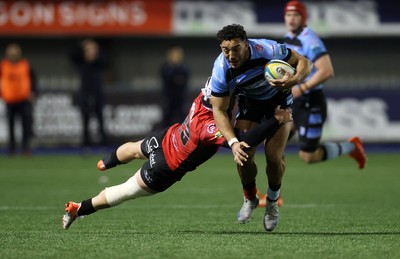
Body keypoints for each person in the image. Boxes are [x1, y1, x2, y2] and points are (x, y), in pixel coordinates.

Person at [62, 87, 293, 230]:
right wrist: (276, 120)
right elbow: (244, 140)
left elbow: (223, 85)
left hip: (166, 137)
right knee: (124, 191)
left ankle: (106, 162)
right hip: (166, 167)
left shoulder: (203, 97)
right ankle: (79, 208)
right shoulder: (211, 127)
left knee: (133, 148)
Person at [208, 24, 312, 231]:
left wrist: (295, 78)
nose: (231, 55)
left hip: (279, 102)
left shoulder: (268, 50)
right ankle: (250, 198)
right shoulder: (222, 69)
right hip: (251, 103)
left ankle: (272, 203)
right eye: (225, 50)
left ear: (246, 44)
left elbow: (304, 61)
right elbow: (218, 110)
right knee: (243, 153)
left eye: (236, 48)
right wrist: (232, 142)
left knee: (274, 158)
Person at [283, 1, 367, 168]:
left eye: (296, 15)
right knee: (275, 144)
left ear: (303, 17)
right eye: (288, 15)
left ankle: (351, 147)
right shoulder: (289, 38)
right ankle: (273, 194)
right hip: (292, 101)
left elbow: (326, 71)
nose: (291, 19)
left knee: (308, 156)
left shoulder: (310, 41)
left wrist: (301, 88)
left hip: (310, 101)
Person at [68, 39, 108, 148]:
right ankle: (86, 143)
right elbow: (72, 55)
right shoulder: (81, 61)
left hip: (98, 93)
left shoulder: (98, 62)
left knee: (100, 118)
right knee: (85, 118)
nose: (90, 52)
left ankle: (103, 142)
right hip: (85, 92)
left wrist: (96, 51)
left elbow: (106, 61)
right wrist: (82, 46)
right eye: (88, 50)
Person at [0, 43, 37, 156]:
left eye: (15, 52)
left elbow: (33, 79)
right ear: (7, 53)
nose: (13, 54)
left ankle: (25, 147)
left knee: (25, 124)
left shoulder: (25, 64)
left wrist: (33, 92)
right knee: (11, 125)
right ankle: (12, 148)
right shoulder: (3, 65)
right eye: (11, 52)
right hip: (9, 99)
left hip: (24, 99)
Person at [160, 46, 190, 128]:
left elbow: (183, 80)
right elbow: (168, 79)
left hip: (180, 98)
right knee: (167, 119)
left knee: (182, 118)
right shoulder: (166, 67)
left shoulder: (184, 68)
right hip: (169, 98)